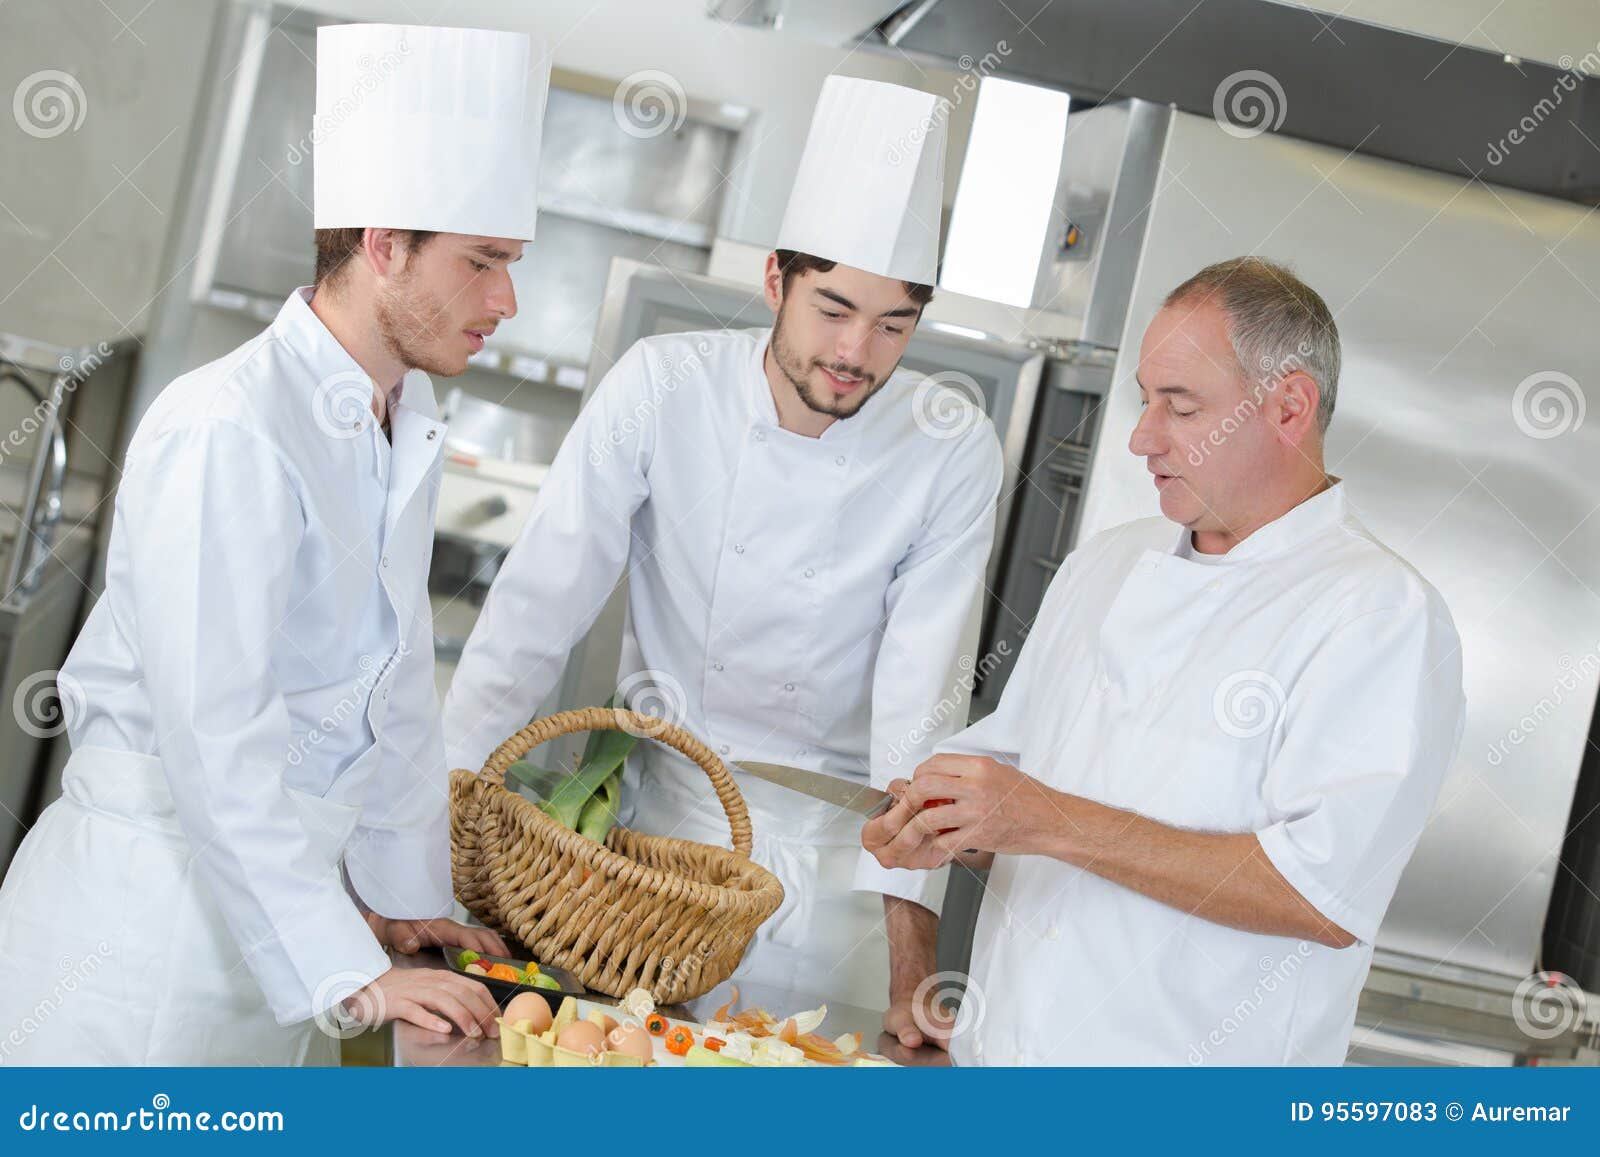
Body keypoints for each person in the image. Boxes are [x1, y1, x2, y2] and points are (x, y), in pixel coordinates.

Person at [0, 23, 550, 1065]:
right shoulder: (230, 422)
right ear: (385, 246)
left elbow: (386, 696)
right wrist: (345, 966)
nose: (505, 302)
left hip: (270, 943)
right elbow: (216, 726)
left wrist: (395, 905)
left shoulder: (399, 421)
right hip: (136, 947)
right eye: (482, 263)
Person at [444, 76, 1002, 1023]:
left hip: (846, 885)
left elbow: (923, 711)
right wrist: (436, 847)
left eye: (895, 324)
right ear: (777, 280)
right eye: (833, 309)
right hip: (655, 872)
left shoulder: (951, 443)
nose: (858, 352)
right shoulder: (666, 388)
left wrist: (914, 968)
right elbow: (533, 614)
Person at [865, 257, 1466, 1065]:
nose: (1142, 438)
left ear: (1290, 406)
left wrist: (1046, 818)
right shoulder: (1109, 560)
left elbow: (1320, 893)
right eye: (1145, 399)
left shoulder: (1379, 613)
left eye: (1179, 406)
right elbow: (1017, 765)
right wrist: (945, 819)